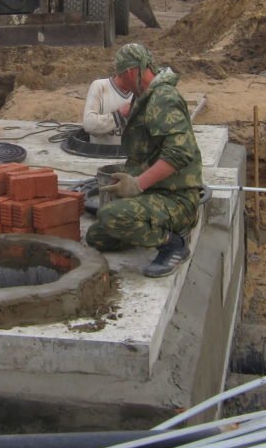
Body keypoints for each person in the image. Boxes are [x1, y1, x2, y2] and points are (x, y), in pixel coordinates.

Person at [85, 43, 203, 278]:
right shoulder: (145, 97)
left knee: (113, 215)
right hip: (156, 193)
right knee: (96, 235)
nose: (118, 82)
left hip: (177, 198)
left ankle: (174, 244)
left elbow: (179, 153)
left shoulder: (163, 99)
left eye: (120, 75)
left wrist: (138, 184)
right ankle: (144, 227)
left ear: (130, 72)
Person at [82, 73, 132, 145]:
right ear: (129, 72)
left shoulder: (143, 90)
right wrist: (119, 115)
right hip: (101, 154)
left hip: (129, 155)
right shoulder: (99, 86)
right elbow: (89, 125)